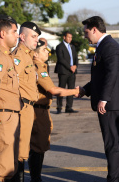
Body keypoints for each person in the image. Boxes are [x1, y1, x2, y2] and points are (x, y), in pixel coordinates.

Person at [28, 38, 79, 182]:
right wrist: (75, 91)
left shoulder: (41, 66)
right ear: (35, 54)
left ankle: (35, 177)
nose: (48, 52)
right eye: (44, 50)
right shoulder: (38, 67)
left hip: (42, 109)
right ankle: (35, 179)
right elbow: (54, 90)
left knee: (40, 145)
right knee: (38, 146)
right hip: (38, 111)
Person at [78, 16, 119, 182]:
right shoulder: (103, 46)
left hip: (110, 105)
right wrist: (85, 90)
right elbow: (100, 77)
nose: (85, 36)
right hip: (110, 102)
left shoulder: (109, 46)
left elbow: (112, 73)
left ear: (94, 29)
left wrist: (104, 98)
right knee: (113, 144)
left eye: (86, 32)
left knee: (112, 145)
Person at [0, 15, 22, 182]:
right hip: (4, 116)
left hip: (12, 115)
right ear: (2, 34)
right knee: (2, 168)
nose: (17, 35)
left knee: (9, 166)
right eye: (14, 31)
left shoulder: (6, 56)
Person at [10, 22, 40, 182]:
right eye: (33, 36)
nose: (36, 40)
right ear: (22, 37)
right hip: (22, 106)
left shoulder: (28, 55)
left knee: (23, 150)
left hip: (28, 107)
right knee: (19, 151)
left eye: (37, 37)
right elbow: (12, 84)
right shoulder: (18, 56)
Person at [54, 31, 78, 114]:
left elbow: (76, 58)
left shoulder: (73, 47)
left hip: (72, 72)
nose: (70, 39)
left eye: (71, 37)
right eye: (68, 37)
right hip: (63, 71)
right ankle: (59, 107)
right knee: (61, 89)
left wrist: (75, 66)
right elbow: (61, 59)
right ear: (64, 37)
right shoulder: (59, 47)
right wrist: (70, 67)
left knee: (71, 89)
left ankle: (69, 107)